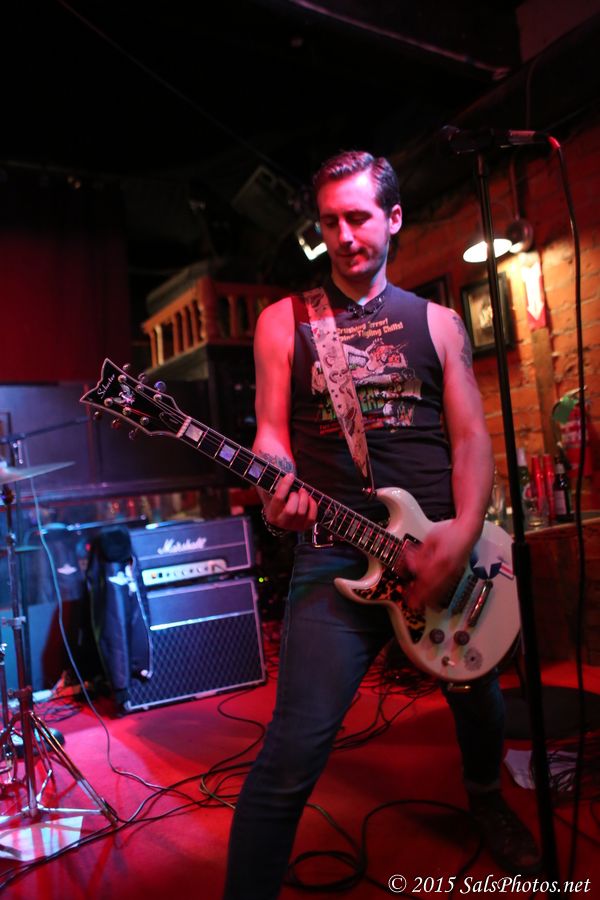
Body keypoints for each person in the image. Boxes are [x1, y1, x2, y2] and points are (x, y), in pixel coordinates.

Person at [223, 150, 541, 898]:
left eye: (359, 217)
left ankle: (486, 795)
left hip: (443, 549)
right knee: (292, 752)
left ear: (393, 218)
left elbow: (470, 438)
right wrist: (276, 488)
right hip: (335, 555)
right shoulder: (283, 321)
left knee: (477, 692)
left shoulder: (438, 322)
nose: (344, 236)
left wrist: (461, 534)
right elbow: (270, 437)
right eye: (330, 221)